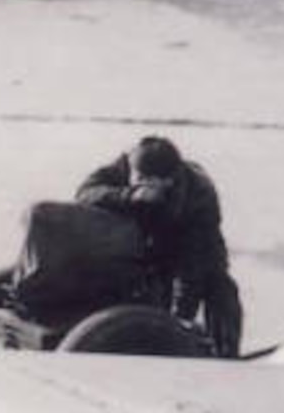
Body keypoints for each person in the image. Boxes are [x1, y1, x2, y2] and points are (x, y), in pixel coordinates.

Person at [76, 135, 242, 356]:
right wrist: (128, 195)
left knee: (219, 286)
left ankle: (225, 353)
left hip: (190, 247)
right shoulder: (124, 165)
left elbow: (192, 264)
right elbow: (84, 194)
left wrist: (180, 319)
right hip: (139, 244)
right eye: (139, 177)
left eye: (150, 181)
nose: (142, 184)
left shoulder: (198, 194)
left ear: (168, 180)